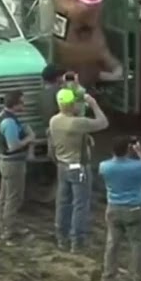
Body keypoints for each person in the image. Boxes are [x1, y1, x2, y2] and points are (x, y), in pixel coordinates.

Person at [48, 87, 109, 252]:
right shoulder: (76, 123)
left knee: (62, 202)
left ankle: (61, 237)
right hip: (78, 167)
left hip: (62, 166)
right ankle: (77, 241)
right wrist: (93, 104)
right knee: (80, 204)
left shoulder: (54, 121)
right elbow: (103, 122)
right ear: (71, 104)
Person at [99, 136, 141, 281]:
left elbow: (110, 166)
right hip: (134, 209)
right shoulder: (138, 166)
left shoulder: (105, 166)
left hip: (114, 208)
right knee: (137, 245)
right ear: (129, 150)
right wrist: (140, 152)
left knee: (112, 245)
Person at [0, 90, 35, 244]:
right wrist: (29, 138)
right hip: (13, 163)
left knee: (5, 196)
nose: (24, 105)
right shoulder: (9, 122)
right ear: (16, 104)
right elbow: (13, 146)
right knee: (13, 198)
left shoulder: (2, 117)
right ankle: (9, 232)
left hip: (6, 162)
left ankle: (4, 225)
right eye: (22, 102)